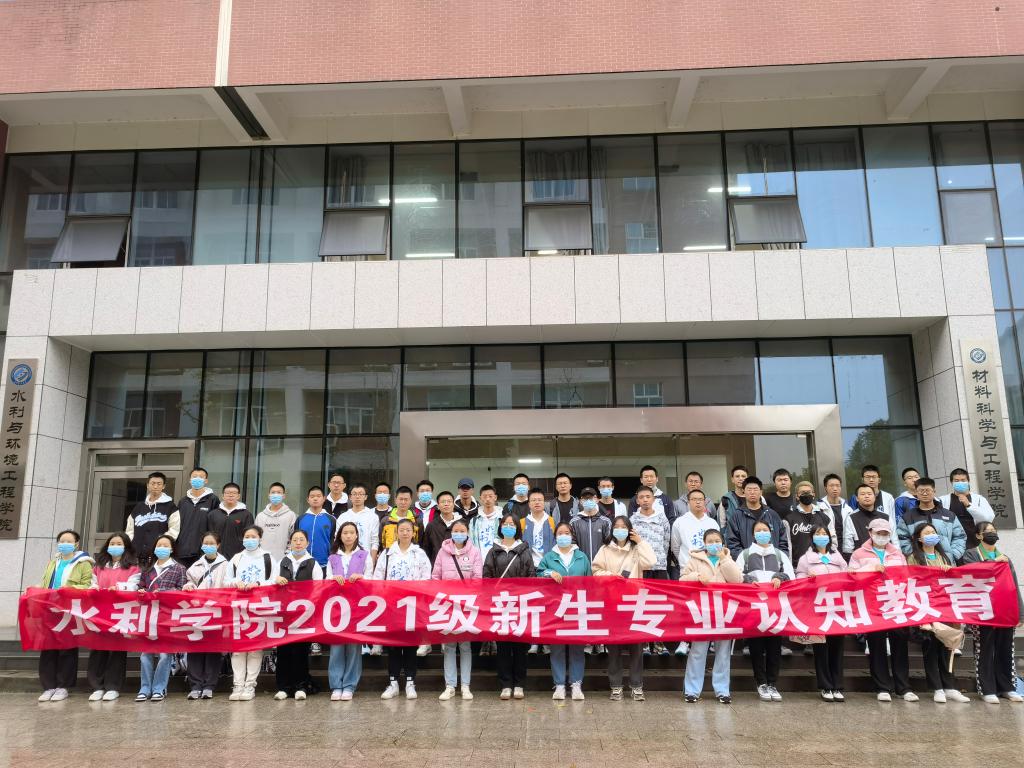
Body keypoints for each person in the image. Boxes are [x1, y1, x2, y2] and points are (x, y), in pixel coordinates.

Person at [848, 518, 917, 702]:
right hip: (872, 605)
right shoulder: (858, 554)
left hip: (895, 604)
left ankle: (903, 687)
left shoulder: (897, 554)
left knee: (900, 645)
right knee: (876, 645)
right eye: (878, 533)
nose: (882, 536)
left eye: (885, 533)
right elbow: (851, 576)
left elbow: (906, 576)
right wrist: (871, 568)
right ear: (870, 533)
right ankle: (882, 687)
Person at [906, 523, 971, 703]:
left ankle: (950, 687)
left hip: (944, 607)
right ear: (919, 538)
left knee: (946, 647)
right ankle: (937, 688)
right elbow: (912, 580)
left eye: (933, 532)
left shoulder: (944, 556)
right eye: (927, 533)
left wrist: (949, 571)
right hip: (926, 607)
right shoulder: (913, 558)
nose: (931, 535)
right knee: (931, 648)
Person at [592, 516, 654, 701]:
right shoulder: (605, 549)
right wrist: (612, 577)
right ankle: (616, 685)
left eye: (624, 526)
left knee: (637, 647)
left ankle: (637, 685)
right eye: (617, 526)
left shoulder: (637, 549)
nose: (620, 529)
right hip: (612, 602)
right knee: (614, 647)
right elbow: (596, 571)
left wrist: (640, 542)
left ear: (630, 530)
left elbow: (650, 562)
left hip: (634, 602)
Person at [962, 521, 1024, 703]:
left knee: (1006, 649)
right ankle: (987, 689)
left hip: (1005, 610)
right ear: (978, 536)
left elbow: (1013, 586)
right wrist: (993, 563)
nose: (992, 533)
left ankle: (1007, 687)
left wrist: (1020, 613)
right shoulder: (971, 554)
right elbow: (973, 573)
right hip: (982, 611)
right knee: (985, 649)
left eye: (993, 530)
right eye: (987, 531)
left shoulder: (1005, 557)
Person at [680, 528, 742, 704]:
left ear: (722, 542)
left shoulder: (728, 558)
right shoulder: (695, 559)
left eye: (717, 541)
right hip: (702, 611)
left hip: (724, 611)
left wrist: (724, 559)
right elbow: (682, 580)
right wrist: (696, 576)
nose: (714, 544)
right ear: (704, 543)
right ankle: (692, 690)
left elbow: (737, 580)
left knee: (723, 652)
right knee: (698, 651)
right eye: (710, 541)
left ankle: (722, 690)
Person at [736, 520, 794, 701]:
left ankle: (772, 683)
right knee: (756, 647)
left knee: (774, 647)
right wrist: (748, 580)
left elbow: (791, 576)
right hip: (754, 608)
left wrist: (780, 577)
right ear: (753, 534)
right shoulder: (745, 554)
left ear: (771, 533)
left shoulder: (780, 555)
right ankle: (761, 682)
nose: (762, 533)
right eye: (758, 530)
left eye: (765, 530)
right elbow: (736, 576)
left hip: (775, 608)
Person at [375, 518, 432, 699]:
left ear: (413, 532)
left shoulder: (419, 553)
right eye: (402, 530)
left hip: (412, 605)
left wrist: (413, 589)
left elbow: (426, 577)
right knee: (393, 646)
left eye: (408, 530)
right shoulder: (387, 553)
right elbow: (378, 577)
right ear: (397, 532)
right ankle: (392, 683)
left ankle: (410, 682)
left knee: (410, 645)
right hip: (391, 604)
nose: (405, 533)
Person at [37, 530, 94, 702]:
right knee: (48, 648)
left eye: (69, 541)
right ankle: (48, 686)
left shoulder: (83, 563)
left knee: (66, 648)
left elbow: (88, 585)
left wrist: (69, 589)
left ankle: (63, 686)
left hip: (69, 610)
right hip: (50, 609)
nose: (64, 544)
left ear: (76, 544)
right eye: (62, 541)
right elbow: (45, 583)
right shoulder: (53, 562)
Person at [537, 522, 592, 700]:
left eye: (566, 533)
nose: (563, 536)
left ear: (572, 535)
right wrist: (549, 573)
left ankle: (576, 684)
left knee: (577, 647)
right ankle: (559, 684)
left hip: (577, 607)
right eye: (560, 533)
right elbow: (537, 574)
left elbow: (590, 581)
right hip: (556, 608)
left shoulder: (581, 557)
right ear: (555, 536)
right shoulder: (549, 557)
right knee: (557, 647)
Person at [482, 513, 534, 699]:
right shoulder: (493, 551)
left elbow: (531, 575)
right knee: (503, 646)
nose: (509, 527)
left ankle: (519, 684)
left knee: (520, 647)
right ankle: (505, 684)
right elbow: (487, 576)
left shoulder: (524, 550)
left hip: (520, 604)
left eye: (512, 524)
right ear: (500, 527)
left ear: (517, 528)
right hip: (500, 604)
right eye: (505, 524)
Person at [795, 525, 848, 701]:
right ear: (812, 537)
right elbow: (799, 579)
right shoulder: (805, 558)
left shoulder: (837, 556)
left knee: (837, 648)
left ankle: (837, 685)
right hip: (817, 609)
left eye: (824, 533)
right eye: (818, 534)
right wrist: (807, 579)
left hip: (837, 608)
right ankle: (826, 686)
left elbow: (847, 576)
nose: (822, 536)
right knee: (821, 648)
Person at [432, 518, 483, 700]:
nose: (459, 533)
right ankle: (450, 686)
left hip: (467, 603)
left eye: (462, 531)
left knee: (465, 645)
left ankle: (465, 685)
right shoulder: (443, 552)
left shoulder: (475, 552)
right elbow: (436, 576)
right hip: (447, 603)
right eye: (456, 530)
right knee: (449, 646)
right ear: (451, 533)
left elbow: (478, 577)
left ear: (467, 533)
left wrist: (467, 594)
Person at [228, 525, 279, 701]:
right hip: (238, 607)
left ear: (260, 538)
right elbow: (227, 580)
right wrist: (236, 583)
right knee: (238, 649)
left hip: (259, 606)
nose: (249, 539)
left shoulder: (268, 558)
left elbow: (274, 580)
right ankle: (237, 685)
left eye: (253, 536)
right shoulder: (236, 558)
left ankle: (250, 685)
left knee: (255, 648)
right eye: (247, 536)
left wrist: (258, 584)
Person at [87, 533, 140, 701]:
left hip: (120, 611)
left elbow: (133, 586)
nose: (114, 546)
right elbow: (92, 583)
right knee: (98, 648)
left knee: (117, 648)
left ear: (126, 547)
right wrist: (94, 588)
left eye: (119, 543)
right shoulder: (99, 566)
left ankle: (113, 686)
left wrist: (118, 587)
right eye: (112, 543)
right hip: (100, 610)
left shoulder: (133, 567)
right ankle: (97, 686)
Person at [273, 529, 323, 700]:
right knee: (283, 651)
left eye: (302, 539)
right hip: (285, 613)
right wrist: (276, 580)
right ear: (290, 543)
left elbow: (318, 588)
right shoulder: (282, 562)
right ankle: (283, 687)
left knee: (300, 651)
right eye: (295, 540)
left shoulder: (313, 563)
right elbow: (270, 582)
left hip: (304, 614)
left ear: (307, 543)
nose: (298, 543)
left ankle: (301, 686)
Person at [327, 521, 373, 700]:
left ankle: (349, 685)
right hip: (336, 606)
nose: (348, 536)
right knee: (336, 647)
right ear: (340, 535)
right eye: (345, 532)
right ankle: (336, 685)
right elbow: (325, 579)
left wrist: (362, 577)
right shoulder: (333, 557)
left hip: (357, 605)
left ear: (356, 535)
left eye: (351, 532)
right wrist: (333, 578)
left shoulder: (364, 555)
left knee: (353, 647)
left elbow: (372, 578)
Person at [136, 534, 186, 702]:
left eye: (165, 546)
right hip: (149, 615)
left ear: (171, 549)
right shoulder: (148, 569)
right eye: (159, 545)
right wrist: (141, 592)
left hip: (168, 615)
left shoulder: (178, 568)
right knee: (145, 654)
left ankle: (159, 688)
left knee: (165, 655)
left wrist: (164, 592)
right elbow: (140, 587)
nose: (162, 548)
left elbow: (182, 591)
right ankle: (145, 688)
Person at [182, 531, 230, 699]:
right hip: (198, 611)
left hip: (216, 611)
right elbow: (189, 582)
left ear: (218, 545)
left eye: (212, 543)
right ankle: (195, 685)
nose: (208, 546)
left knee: (213, 649)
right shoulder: (195, 566)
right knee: (195, 648)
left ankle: (209, 685)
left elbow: (229, 586)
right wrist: (188, 586)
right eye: (205, 543)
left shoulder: (226, 565)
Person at [897, 477, 966, 562]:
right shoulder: (908, 517)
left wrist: (952, 555)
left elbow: (960, 536)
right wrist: (915, 556)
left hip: (947, 564)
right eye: (921, 491)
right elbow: (902, 538)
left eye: (928, 490)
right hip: (920, 564)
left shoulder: (948, 515)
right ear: (916, 493)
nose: (924, 493)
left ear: (934, 491)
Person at [725, 476, 788, 560]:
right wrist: (745, 560)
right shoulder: (736, 516)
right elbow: (732, 543)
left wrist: (780, 559)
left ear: (761, 492)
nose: (752, 492)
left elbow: (783, 541)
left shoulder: (772, 515)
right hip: (747, 563)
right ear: (743, 491)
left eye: (755, 489)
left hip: (773, 562)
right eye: (749, 489)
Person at [125, 471, 180, 562]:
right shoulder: (139, 507)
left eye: (159, 484)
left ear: (163, 486)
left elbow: (174, 530)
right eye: (153, 483)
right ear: (147, 485)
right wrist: (132, 544)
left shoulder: (171, 507)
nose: (155, 486)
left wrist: (162, 546)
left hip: (158, 556)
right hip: (136, 556)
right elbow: (129, 530)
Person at [939, 468, 995, 548]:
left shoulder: (979, 499)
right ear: (952, 482)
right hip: (953, 543)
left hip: (975, 542)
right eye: (956, 481)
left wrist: (969, 505)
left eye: (963, 480)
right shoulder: (943, 500)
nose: (960, 483)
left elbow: (989, 518)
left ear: (968, 481)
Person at [175, 466, 220, 567]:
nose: (197, 479)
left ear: (206, 480)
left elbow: (215, 526)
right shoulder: (183, 501)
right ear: (190, 480)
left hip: (203, 551)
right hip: (182, 551)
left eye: (201, 477)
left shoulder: (213, 500)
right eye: (194, 476)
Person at [780, 480, 835, 560]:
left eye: (808, 492)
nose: (806, 495)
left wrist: (828, 561)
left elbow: (832, 542)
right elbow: (787, 545)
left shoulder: (824, 518)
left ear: (813, 494)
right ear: (797, 496)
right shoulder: (789, 520)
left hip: (821, 563)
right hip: (798, 565)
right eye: (802, 493)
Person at [670, 488, 720, 572]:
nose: (698, 502)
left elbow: (718, 545)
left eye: (700, 499)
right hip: (687, 567)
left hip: (710, 567)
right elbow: (675, 547)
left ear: (704, 502)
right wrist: (684, 560)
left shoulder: (712, 523)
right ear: (688, 502)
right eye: (694, 499)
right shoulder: (679, 522)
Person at [335, 483, 381, 565]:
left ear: (365, 497)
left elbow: (375, 541)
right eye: (354, 494)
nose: (357, 497)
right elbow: (337, 539)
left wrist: (372, 562)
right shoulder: (343, 517)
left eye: (360, 494)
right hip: (345, 560)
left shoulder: (372, 516)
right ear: (350, 497)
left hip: (365, 560)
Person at [843, 483, 894, 554]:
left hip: (885, 557)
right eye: (862, 494)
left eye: (869, 494)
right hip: (862, 558)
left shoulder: (885, 517)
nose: (866, 496)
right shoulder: (851, 517)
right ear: (857, 498)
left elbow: (894, 540)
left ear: (874, 497)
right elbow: (848, 547)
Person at [206, 482, 253, 560]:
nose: (230, 495)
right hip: (217, 556)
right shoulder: (213, 514)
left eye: (234, 493)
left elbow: (249, 536)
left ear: (238, 496)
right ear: (223, 496)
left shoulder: (246, 515)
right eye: (227, 493)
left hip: (238, 557)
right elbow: (209, 535)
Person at [296, 485, 336, 569]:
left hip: (324, 564)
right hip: (302, 563)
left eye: (318, 496)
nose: (315, 498)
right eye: (312, 496)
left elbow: (333, 541)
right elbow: (295, 540)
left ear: (324, 499)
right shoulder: (301, 519)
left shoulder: (331, 519)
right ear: (308, 499)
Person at [570, 487, 611, 564]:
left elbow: (609, 545)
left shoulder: (606, 521)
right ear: (581, 501)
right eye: (585, 499)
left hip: (601, 565)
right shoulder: (574, 522)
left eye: (591, 498)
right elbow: (572, 545)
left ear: (596, 500)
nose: (588, 500)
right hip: (581, 564)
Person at [255, 481, 296, 558]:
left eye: (279, 492)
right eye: (273, 492)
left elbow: (294, 537)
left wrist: (287, 555)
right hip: (262, 559)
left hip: (283, 559)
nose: (275, 495)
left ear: (284, 496)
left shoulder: (290, 515)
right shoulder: (260, 516)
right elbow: (256, 537)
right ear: (269, 495)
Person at [423, 490, 463, 564]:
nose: (446, 504)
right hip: (437, 566)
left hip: (458, 565)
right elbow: (426, 550)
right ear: (438, 506)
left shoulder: (462, 524)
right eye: (443, 502)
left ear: (453, 505)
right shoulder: (431, 525)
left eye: (449, 501)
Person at [521, 487, 555, 567]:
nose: (537, 502)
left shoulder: (552, 521)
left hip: (548, 566)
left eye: (540, 500)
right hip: (528, 566)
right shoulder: (522, 522)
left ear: (544, 502)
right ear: (529, 504)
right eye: (533, 500)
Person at [820, 473, 853, 552]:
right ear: (825, 488)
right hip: (827, 549)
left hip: (846, 549)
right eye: (831, 486)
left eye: (838, 486)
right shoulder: (819, 508)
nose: (835, 488)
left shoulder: (848, 509)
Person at [469, 484, 502, 558]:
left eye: (490, 496)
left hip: (498, 560)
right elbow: (471, 542)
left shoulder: (502, 519)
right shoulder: (474, 521)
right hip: (479, 560)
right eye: (484, 496)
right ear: (480, 498)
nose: (487, 499)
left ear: (495, 497)